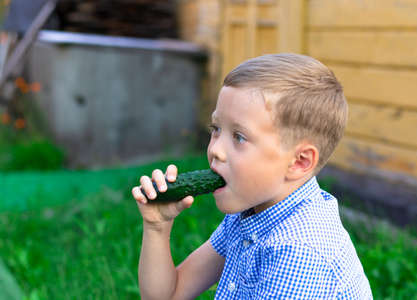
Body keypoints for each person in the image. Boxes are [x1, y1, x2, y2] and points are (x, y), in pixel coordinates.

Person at [131, 53, 372, 299]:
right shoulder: (250, 211)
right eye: (216, 129)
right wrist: (157, 227)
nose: (215, 149)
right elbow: (168, 295)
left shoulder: (299, 252)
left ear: (299, 162)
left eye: (239, 137)